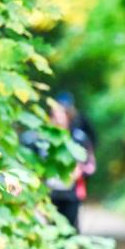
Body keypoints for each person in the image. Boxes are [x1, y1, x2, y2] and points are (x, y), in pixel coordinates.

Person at [47, 93, 96, 232]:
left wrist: (79, 171)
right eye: (54, 115)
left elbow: (90, 164)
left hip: (72, 193)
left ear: (68, 115)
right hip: (49, 193)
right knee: (51, 230)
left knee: (70, 229)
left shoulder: (78, 138)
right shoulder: (43, 138)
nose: (57, 118)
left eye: (61, 114)